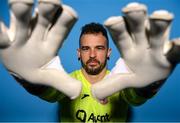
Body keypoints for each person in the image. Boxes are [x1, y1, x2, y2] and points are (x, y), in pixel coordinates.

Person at [16, 22, 161, 122]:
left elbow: (135, 97)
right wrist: (30, 81)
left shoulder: (120, 81)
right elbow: (51, 93)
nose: (92, 55)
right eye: (86, 49)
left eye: (99, 48)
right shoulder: (65, 81)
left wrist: (151, 83)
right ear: (79, 53)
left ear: (108, 52)